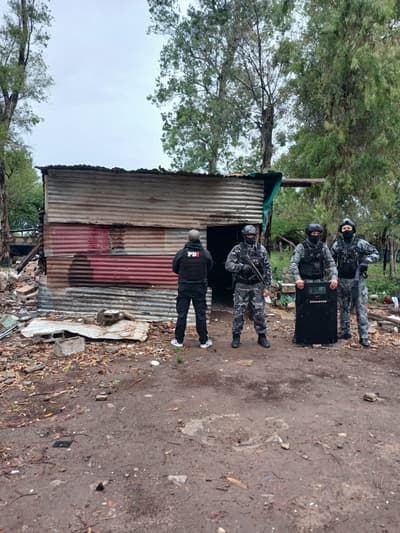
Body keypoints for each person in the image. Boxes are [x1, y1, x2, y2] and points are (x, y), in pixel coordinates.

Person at [331, 218, 379, 348]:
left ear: (353, 229)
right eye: (344, 228)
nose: (346, 230)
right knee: (343, 307)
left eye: (349, 228)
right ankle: (345, 332)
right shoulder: (337, 244)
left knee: (360, 308)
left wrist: (366, 261)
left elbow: (375, 253)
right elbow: (331, 260)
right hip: (341, 280)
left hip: (358, 280)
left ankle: (364, 337)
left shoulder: (360, 243)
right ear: (341, 230)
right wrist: (332, 275)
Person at [289, 223, 338, 344]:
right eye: (313, 233)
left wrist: (334, 277)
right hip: (304, 282)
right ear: (309, 234)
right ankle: (300, 334)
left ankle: (318, 333)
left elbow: (331, 263)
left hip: (319, 281)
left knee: (319, 307)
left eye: (318, 233)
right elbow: (293, 263)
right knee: (302, 309)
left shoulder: (323, 247)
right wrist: (297, 278)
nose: (315, 235)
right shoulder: (301, 247)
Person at [225, 225, 272, 349]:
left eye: (252, 235)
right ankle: (236, 336)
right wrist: (241, 267)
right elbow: (228, 265)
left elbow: (268, 269)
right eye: (248, 235)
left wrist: (267, 287)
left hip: (257, 285)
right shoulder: (238, 249)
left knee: (259, 312)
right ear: (244, 236)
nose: (251, 237)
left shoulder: (261, 249)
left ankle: (262, 336)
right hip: (241, 285)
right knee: (238, 312)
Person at [171, 229, 214, 348]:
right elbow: (210, 267)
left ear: (188, 239)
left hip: (184, 287)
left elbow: (174, 268)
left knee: (182, 314)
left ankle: (179, 341)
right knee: (200, 315)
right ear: (199, 238)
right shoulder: (205, 253)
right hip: (199, 288)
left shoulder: (181, 253)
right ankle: (203, 341)